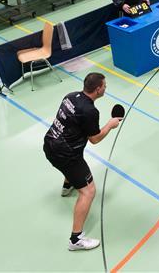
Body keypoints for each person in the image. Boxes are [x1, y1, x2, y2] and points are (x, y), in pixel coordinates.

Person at [43, 73, 121, 251]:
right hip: (66, 154)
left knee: (72, 166)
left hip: (49, 144)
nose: (106, 88)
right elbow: (94, 139)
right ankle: (75, 239)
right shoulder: (90, 111)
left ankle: (67, 186)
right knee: (88, 192)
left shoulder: (70, 96)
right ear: (98, 89)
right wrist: (110, 125)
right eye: (104, 86)